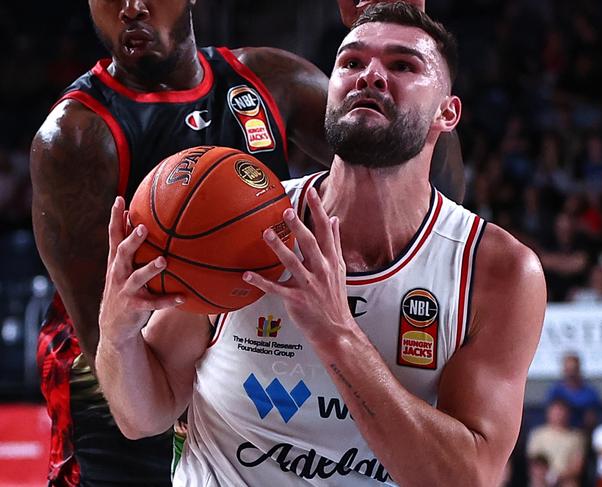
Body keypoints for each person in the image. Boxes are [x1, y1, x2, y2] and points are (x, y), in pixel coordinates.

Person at [96, 3, 546, 485]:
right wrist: (117, 333)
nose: (370, 75)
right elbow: (142, 416)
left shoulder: (495, 271)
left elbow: (468, 477)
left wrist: (337, 334)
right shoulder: (239, 223)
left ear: (447, 113)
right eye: (351, 62)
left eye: (402, 65)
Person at [527, 399, 585, 486]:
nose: (559, 416)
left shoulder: (576, 437)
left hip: (565, 479)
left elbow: (577, 466)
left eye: (561, 412)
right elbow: (533, 462)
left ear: (567, 414)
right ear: (549, 413)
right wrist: (546, 476)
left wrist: (557, 477)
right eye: (556, 412)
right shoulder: (537, 434)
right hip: (542, 478)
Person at [546, 352, 602, 429]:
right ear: (564, 370)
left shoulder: (590, 392)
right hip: (559, 430)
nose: (571, 373)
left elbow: (594, 416)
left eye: (573, 369)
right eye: (568, 369)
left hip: (583, 431)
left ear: (578, 369)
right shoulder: (555, 391)